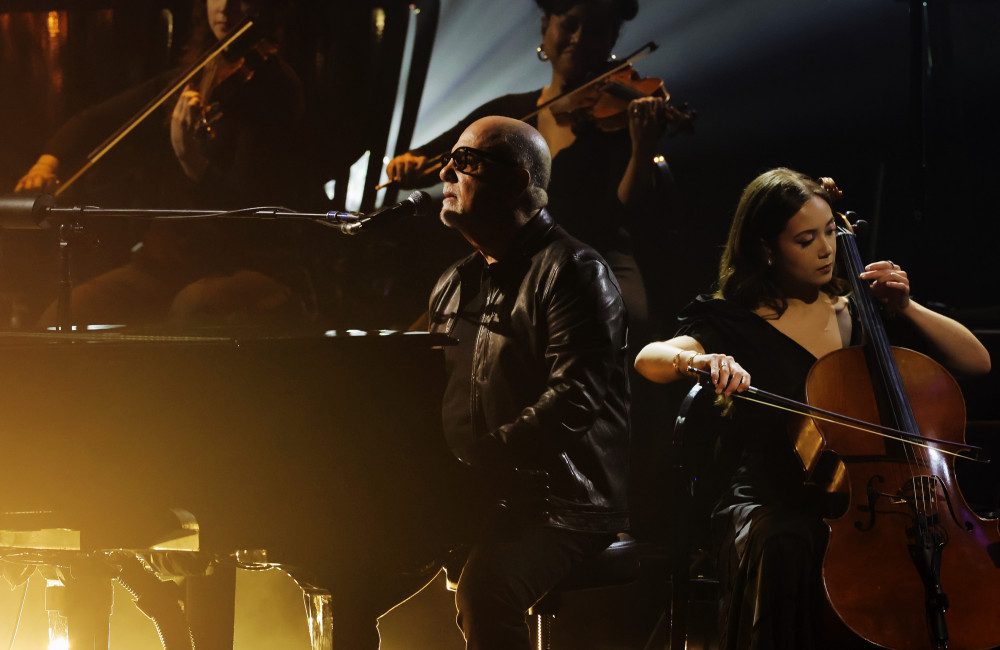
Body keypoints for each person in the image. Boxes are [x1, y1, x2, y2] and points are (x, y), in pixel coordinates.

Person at [633, 168, 991, 649]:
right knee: (791, 542)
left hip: (885, 503)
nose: (827, 249)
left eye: (829, 232)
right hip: (776, 498)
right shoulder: (735, 320)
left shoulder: (865, 309)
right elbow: (648, 358)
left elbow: (977, 362)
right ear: (766, 247)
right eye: (806, 239)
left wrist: (907, 307)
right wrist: (698, 359)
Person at [424, 115, 630, 649]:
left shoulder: (575, 270)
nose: (446, 170)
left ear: (516, 181)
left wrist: (474, 464)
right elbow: (422, 392)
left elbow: (572, 401)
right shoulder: (453, 284)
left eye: (465, 161)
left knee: (487, 591)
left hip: (562, 504)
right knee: (357, 561)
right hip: (474, 494)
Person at [387, 0, 674, 345]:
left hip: (594, 261)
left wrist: (642, 148)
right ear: (545, 28)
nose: (579, 38)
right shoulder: (508, 114)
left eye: (596, 31)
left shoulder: (621, 121)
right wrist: (408, 165)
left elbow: (621, 213)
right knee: (426, 341)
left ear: (612, 39)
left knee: (624, 325)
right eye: (569, 25)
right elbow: (435, 160)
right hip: (510, 258)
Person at [15, 0, 313, 328]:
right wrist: (46, 164)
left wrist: (189, 155)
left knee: (190, 309)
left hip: (242, 263)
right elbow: (94, 120)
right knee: (62, 315)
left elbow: (247, 213)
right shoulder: (193, 75)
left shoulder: (275, 87)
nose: (225, 7)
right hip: (165, 267)